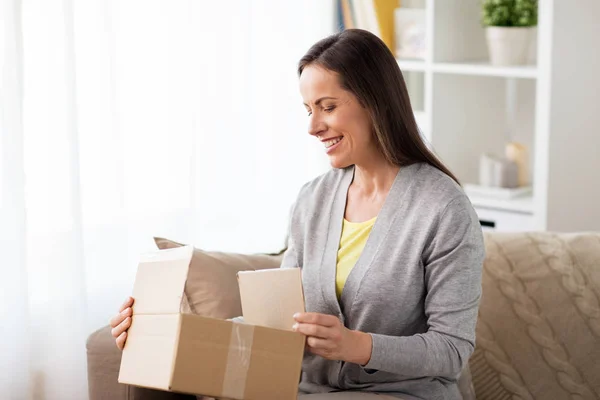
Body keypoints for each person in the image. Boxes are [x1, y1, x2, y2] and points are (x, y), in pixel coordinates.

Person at [110, 29, 485, 400]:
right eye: (308, 110)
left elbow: (451, 350)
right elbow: (277, 324)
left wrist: (357, 345)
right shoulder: (313, 199)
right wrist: (164, 332)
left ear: (376, 101)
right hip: (306, 390)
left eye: (328, 106)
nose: (312, 126)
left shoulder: (443, 208)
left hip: (401, 393)